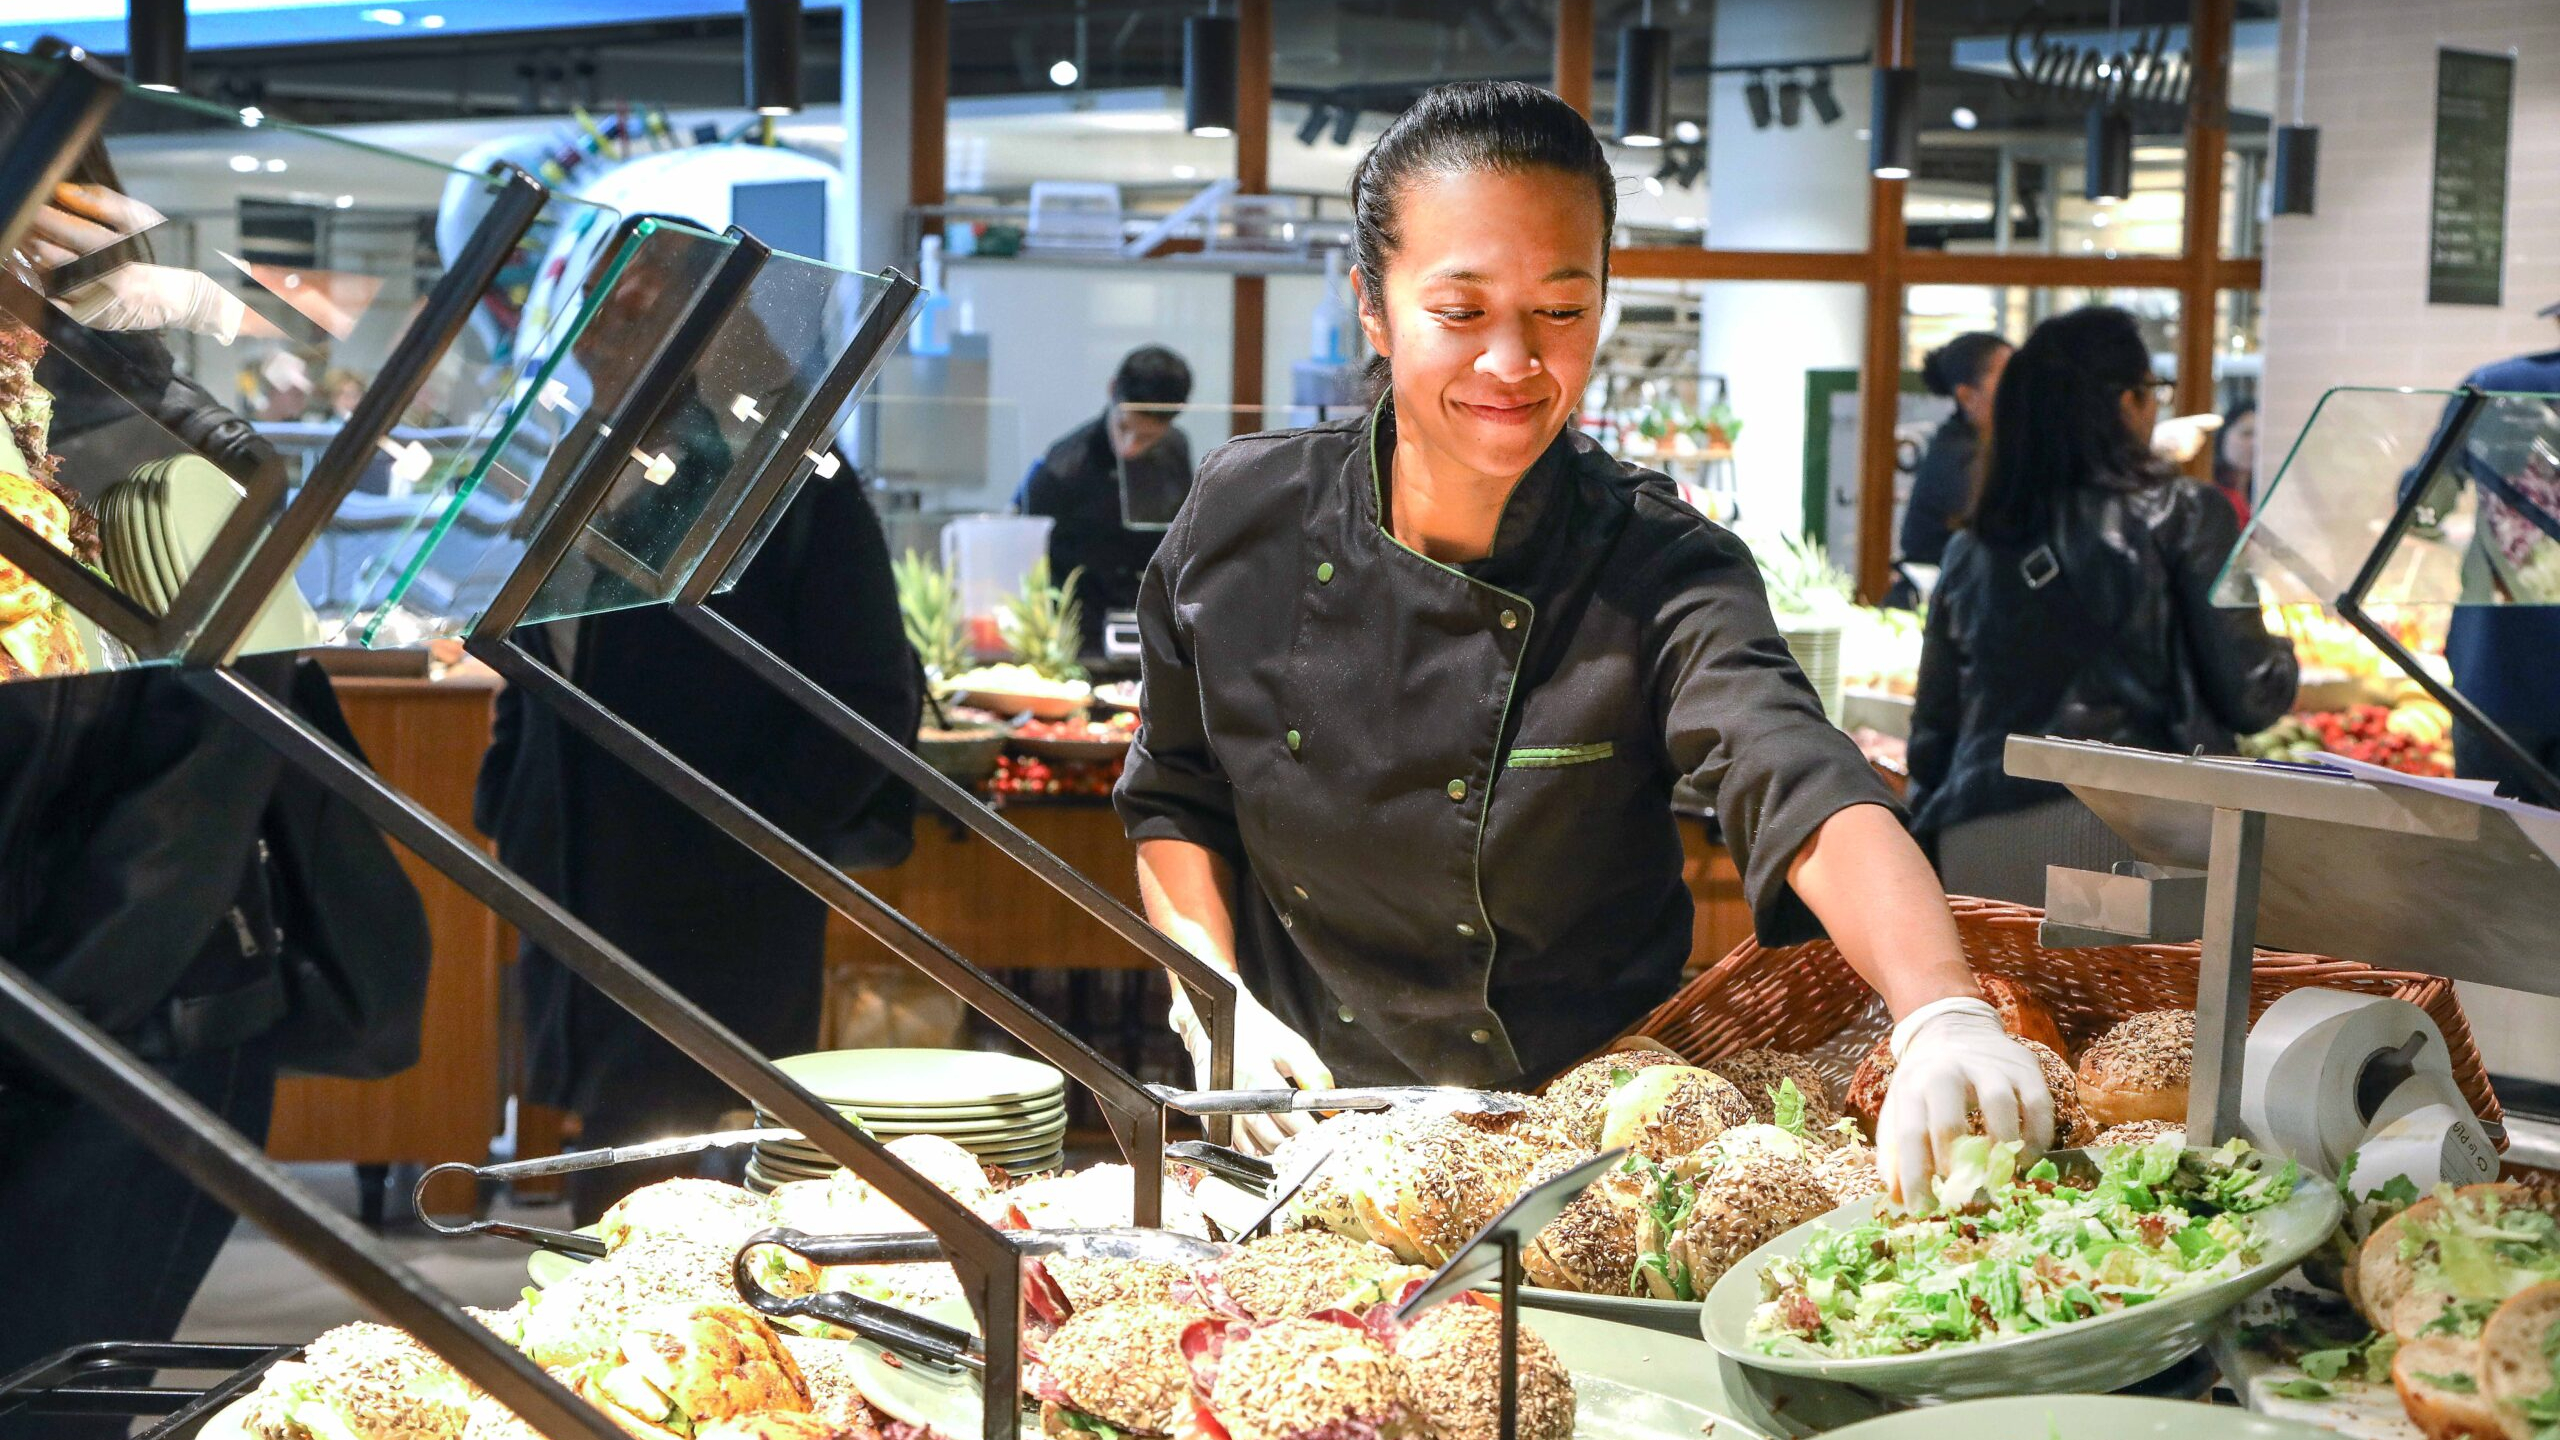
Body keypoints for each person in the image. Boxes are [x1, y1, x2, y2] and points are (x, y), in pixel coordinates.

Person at [1114, 81, 2052, 1202]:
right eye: (1460, 311)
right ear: (1372, 304)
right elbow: (1176, 792)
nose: (1513, 362)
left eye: (1561, 311)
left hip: (1587, 1155)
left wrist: (1938, 1005)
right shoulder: (1240, 521)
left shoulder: (1658, 563)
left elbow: (1795, 775)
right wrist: (1213, 998)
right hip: (1287, 1129)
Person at [476, 230, 925, 1224]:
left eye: (628, 312)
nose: (595, 339)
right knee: (606, 1144)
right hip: (576, 867)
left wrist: (756, 838)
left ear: (699, 327)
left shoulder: (790, 474)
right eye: (593, 310)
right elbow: (527, 646)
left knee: (688, 1170)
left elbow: (869, 697)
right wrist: (509, 791)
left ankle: (657, 1358)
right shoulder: (583, 457)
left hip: (714, 888)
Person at [1906, 306, 2298, 900]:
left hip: (1978, 839)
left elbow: (1935, 725)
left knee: (2010, 998)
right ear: (2125, 403)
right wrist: (2285, 657)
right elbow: (2249, 693)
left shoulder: (1974, 543)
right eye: (2152, 391)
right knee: (2164, 1000)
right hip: (2135, 834)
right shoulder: (2188, 512)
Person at [2437, 322, 2560, 801]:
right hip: (2498, 666)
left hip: (2497, 666)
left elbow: (2421, 504)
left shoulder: (2493, 384)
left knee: (2492, 856)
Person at [1016, 345, 1195, 656]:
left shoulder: (1176, 449)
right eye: (1124, 428)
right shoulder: (1063, 468)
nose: (1129, 448)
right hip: (1078, 636)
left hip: (1153, 625)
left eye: (1146, 438)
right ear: (1112, 390)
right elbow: (1028, 562)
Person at [1898, 331, 2011, 573]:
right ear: (1967, 396)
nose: (2022, 389)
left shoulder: (1985, 445)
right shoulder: (1960, 455)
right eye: (2008, 379)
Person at [2213, 399, 2257, 527]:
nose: (2255, 443)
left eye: (2260, 436)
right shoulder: (2213, 495)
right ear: (2223, 436)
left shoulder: (2257, 495)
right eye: (2247, 434)